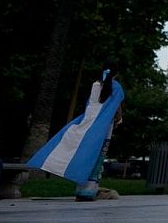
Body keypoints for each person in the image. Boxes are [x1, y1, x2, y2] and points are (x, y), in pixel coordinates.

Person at [30, 66, 126, 202]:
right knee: (98, 156)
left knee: (85, 153)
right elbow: (117, 107)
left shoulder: (96, 85)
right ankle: (90, 189)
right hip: (105, 125)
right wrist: (118, 119)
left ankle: (81, 189)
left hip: (89, 122)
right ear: (116, 74)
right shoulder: (116, 88)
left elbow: (91, 105)